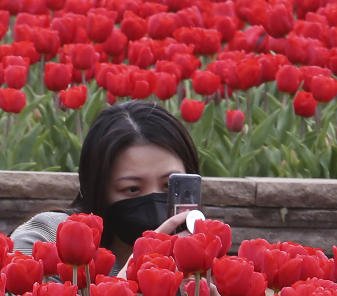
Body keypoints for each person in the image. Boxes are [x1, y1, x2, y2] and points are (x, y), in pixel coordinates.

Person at [11, 100, 200, 275]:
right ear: (98, 189)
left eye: (168, 186)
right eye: (132, 189)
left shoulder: (193, 257)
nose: (153, 200)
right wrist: (128, 283)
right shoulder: (46, 239)